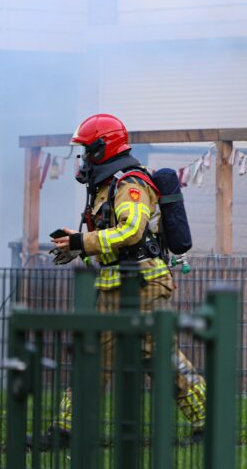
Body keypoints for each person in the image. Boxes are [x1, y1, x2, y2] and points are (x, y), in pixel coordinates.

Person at [32, 113, 206, 449]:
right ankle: (67, 433)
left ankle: (210, 425)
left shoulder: (129, 184)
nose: (83, 160)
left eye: (87, 151)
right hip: (116, 284)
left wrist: (84, 242)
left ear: (102, 148)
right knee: (95, 357)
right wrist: (78, 245)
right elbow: (113, 242)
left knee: (160, 359)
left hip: (143, 284)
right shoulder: (108, 186)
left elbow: (131, 231)